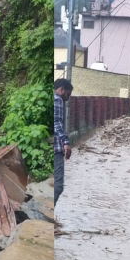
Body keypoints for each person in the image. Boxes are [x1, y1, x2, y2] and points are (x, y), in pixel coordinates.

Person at [54, 79, 73, 207]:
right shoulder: (58, 100)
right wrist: (66, 142)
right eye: (68, 94)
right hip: (56, 148)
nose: (68, 98)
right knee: (58, 186)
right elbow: (56, 123)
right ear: (61, 90)